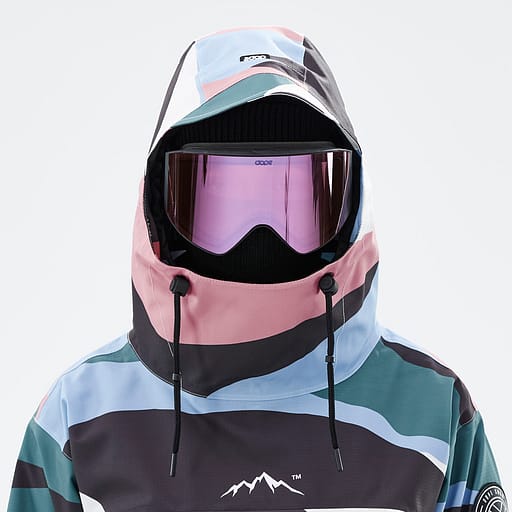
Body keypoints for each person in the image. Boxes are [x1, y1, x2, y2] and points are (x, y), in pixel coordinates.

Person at [7, 25, 508, 512]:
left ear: (352, 207)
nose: (261, 238)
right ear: (159, 207)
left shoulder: (432, 410)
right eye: (219, 204)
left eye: (298, 202)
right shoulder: (81, 416)